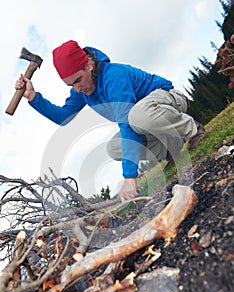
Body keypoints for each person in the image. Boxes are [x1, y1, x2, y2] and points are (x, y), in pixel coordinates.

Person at [15, 40, 206, 202]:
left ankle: (193, 129)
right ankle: (170, 149)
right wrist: (33, 97)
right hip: (145, 121)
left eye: (78, 80)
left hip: (169, 100)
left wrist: (129, 177)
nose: (77, 88)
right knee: (114, 147)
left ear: (88, 65)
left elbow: (126, 123)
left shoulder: (113, 76)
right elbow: (64, 117)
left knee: (135, 117)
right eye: (71, 84)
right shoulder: (82, 90)